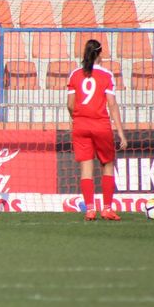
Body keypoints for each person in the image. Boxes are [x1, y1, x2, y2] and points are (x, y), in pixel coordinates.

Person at [66, 39, 128, 221]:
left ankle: (90, 209)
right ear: (100, 53)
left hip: (81, 125)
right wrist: (121, 133)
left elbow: (70, 104)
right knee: (107, 164)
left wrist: (76, 119)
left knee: (86, 167)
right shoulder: (106, 75)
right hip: (100, 124)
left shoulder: (75, 74)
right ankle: (107, 208)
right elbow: (112, 105)